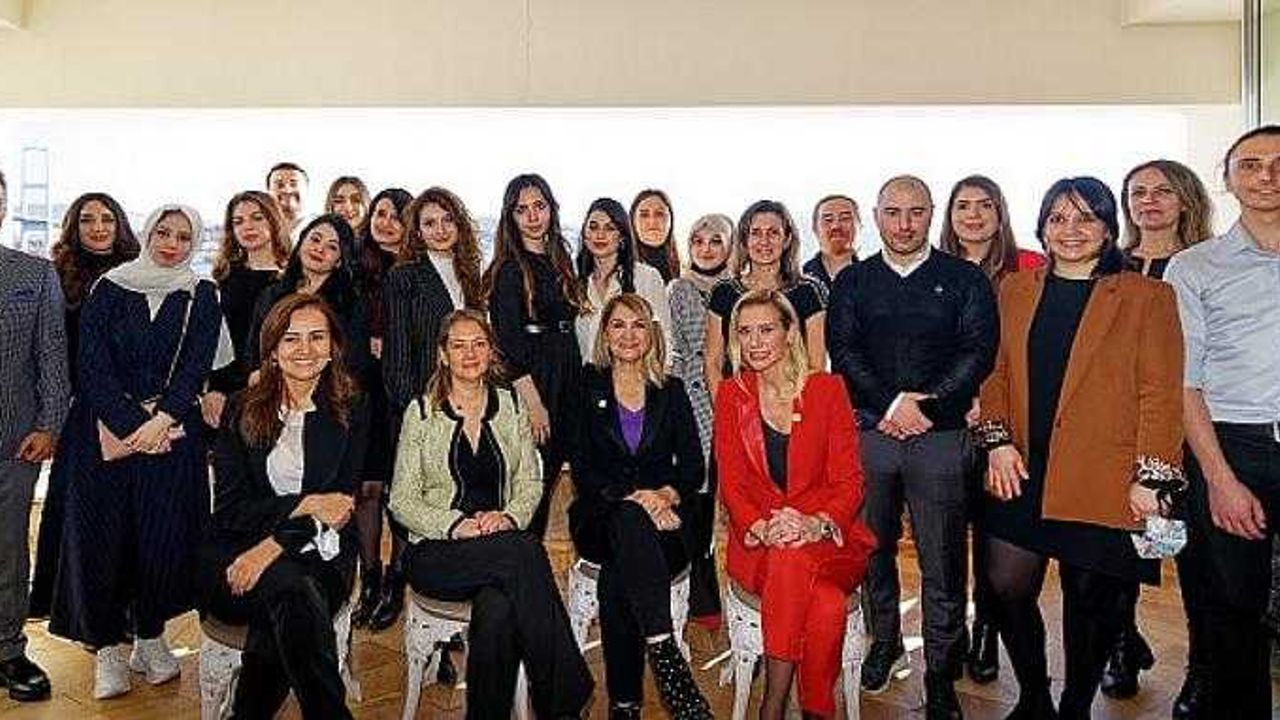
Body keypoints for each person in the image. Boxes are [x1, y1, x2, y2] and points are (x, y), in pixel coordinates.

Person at [978, 176, 1184, 719]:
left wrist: (1152, 477)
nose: (1070, 230)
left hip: (1104, 471)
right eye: (1058, 218)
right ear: (1042, 228)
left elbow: (1161, 392)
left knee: (1091, 600)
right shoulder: (1015, 290)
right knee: (1005, 584)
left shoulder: (1148, 296)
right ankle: (1034, 696)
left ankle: (1075, 705)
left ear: (1109, 228)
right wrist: (997, 442)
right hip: (1022, 465)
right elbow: (994, 374)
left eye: (1085, 218)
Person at [826, 175, 998, 718]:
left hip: (941, 437)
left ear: (931, 214)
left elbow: (979, 351)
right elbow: (843, 350)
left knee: (942, 559)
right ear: (877, 215)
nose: (904, 224)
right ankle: (885, 641)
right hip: (871, 434)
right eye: (893, 212)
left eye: (916, 212)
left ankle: (941, 670)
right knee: (872, 548)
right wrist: (891, 405)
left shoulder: (965, 278)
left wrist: (928, 407)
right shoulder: (853, 281)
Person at [49, 205, 232, 700]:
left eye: (183, 236)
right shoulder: (110, 287)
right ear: (148, 234)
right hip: (101, 434)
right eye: (163, 233)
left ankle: (150, 635)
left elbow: (196, 366)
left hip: (171, 437)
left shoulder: (201, 293)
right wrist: (135, 426)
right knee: (102, 539)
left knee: (162, 537)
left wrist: (160, 421)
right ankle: (107, 647)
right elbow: (92, 367)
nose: (171, 243)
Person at [389, 310, 593, 720]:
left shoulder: (511, 404)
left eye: (479, 344)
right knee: (524, 552)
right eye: (459, 345)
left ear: (491, 352)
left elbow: (531, 481)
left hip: (500, 544)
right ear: (443, 354)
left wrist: (509, 518)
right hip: (436, 550)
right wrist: (455, 525)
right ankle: (565, 699)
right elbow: (401, 500)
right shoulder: (421, 412)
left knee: (497, 607)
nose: (470, 354)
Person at [201, 292, 369, 719]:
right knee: (293, 595)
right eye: (291, 339)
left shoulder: (354, 407)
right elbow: (232, 512)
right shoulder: (241, 408)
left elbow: (340, 508)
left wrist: (272, 546)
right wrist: (307, 502)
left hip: (323, 556)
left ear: (333, 348)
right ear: (272, 350)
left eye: (317, 337)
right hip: (237, 557)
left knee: (291, 591)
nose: (305, 349)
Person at [715, 289, 875, 719]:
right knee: (825, 603)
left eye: (766, 329)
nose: (754, 342)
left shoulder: (826, 389)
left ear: (790, 333)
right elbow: (732, 482)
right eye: (744, 332)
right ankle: (817, 709)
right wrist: (761, 526)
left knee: (793, 559)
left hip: (829, 540)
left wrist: (815, 523)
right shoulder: (732, 394)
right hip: (762, 542)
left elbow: (850, 481)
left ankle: (773, 704)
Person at [1165, 125, 1280, 718]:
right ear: (1229, 179)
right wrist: (1219, 478)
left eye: (1279, 164)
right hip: (1234, 447)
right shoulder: (1193, 267)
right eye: (1251, 165)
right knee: (1235, 610)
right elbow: (1184, 382)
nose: (1268, 176)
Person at [569, 293, 712, 720]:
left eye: (638, 325)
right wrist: (635, 501)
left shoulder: (672, 390)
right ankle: (665, 652)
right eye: (618, 325)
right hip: (600, 516)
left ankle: (625, 703)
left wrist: (665, 496)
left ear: (651, 334)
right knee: (628, 523)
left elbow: (693, 467)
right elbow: (584, 470)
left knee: (618, 575)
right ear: (605, 334)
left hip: (665, 526)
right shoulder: (587, 387)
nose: (628, 335)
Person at [1104, 159, 1212, 712]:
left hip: (1192, 430)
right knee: (1119, 548)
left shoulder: (1208, 263)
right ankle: (1123, 642)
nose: (1148, 201)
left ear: (1186, 199)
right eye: (1137, 192)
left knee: (1191, 555)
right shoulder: (1110, 263)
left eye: (1162, 191)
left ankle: (1202, 667)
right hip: (1120, 431)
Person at [937, 174, 1044, 685]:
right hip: (947, 421)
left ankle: (987, 625)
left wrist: (992, 404)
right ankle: (956, 628)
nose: (974, 215)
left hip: (1011, 426)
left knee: (998, 535)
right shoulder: (933, 269)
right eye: (963, 206)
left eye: (985, 205)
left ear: (1000, 213)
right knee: (948, 532)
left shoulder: (1031, 266)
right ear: (950, 215)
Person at [31, 191, 140, 618]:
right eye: (87, 220)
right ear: (73, 228)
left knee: (125, 515)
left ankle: (124, 608)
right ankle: (72, 606)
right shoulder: (56, 276)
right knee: (78, 513)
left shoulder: (140, 273)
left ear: (120, 225)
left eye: (107, 219)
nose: (98, 228)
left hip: (129, 410)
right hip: (80, 412)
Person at [483, 173, 586, 538]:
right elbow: (507, 342)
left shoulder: (561, 260)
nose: (532, 216)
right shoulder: (509, 269)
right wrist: (534, 402)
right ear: (510, 217)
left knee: (554, 477)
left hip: (568, 373)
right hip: (535, 383)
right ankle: (520, 563)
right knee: (531, 487)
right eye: (521, 209)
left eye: (539, 206)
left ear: (551, 210)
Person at [0, 170, 69, 702]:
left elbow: (51, 354)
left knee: (7, 550)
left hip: (15, 441)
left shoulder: (35, 272)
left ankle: (8, 648)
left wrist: (49, 425)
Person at [667, 213, 735, 626]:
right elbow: (674, 348)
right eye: (698, 240)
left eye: (716, 240)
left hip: (735, 396)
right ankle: (699, 596)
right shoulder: (679, 288)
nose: (706, 248)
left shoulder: (738, 288)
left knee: (729, 499)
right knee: (695, 498)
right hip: (692, 401)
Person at [351, 187, 413, 632]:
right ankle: (369, 576)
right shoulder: (354, 268)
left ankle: (397, 579)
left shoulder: (417, 272)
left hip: (405, 393)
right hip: (361, 392)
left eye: (397, 216)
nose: (386, 222)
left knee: (403, 491)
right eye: (380, 213)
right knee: (367, 488)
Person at [705, 200, 826, 396]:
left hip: (794, 400)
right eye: (756, 233)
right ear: (744, 240)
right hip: (739, 401)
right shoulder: (723, 292)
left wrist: (790, 406)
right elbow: (713, 362)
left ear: (787, 239)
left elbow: (816, 364)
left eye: (773, 233)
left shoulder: (808, 292)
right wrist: (725, 406)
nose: (764, 241)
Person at [246, 214, 371, 385]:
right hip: (271, 387)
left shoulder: (352, 303)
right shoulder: (270, 295)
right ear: (300, 243)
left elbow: (356, 364)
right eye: (315, 239)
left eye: (332, 247)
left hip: (328, 390)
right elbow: (253, 353)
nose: (319, 249)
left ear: (339, 261)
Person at [204, 191, 289, 426]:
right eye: (238, 221)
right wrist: (215, 388)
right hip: (230, 390)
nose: (247, 227)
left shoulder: (293, 278)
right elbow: (219, 339)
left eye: (257, 218)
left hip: (281, 388)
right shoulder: (225, 277)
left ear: (274, 220)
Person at [575, 197, 673, 363]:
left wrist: (660, 376)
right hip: (586, 377)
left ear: (622, 236)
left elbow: (664, 337)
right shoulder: (575, 282)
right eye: (593, 227)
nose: (600, 235)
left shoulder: (646, 277)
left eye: (610, 228)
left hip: (637, 376)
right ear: (585, 234)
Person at [802, 194, 860, 293]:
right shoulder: (798, 280)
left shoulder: (873, 278)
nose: (836, 226)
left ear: (859, 226)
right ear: (815, 229)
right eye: (828, 220)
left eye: (845, 218)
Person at [631, 189, 681, 283]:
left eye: (659, 214)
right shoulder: (619, 271)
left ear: (671, 220)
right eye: (644, 215)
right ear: (633, 221)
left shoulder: (687, 272)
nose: (652, 222)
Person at [266, 161, 308, 234]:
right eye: (279, 185)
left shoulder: (319, 226)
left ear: (306, 189)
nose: (287, 190)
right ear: (268, 192)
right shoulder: (259, 229)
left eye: (293, 184)